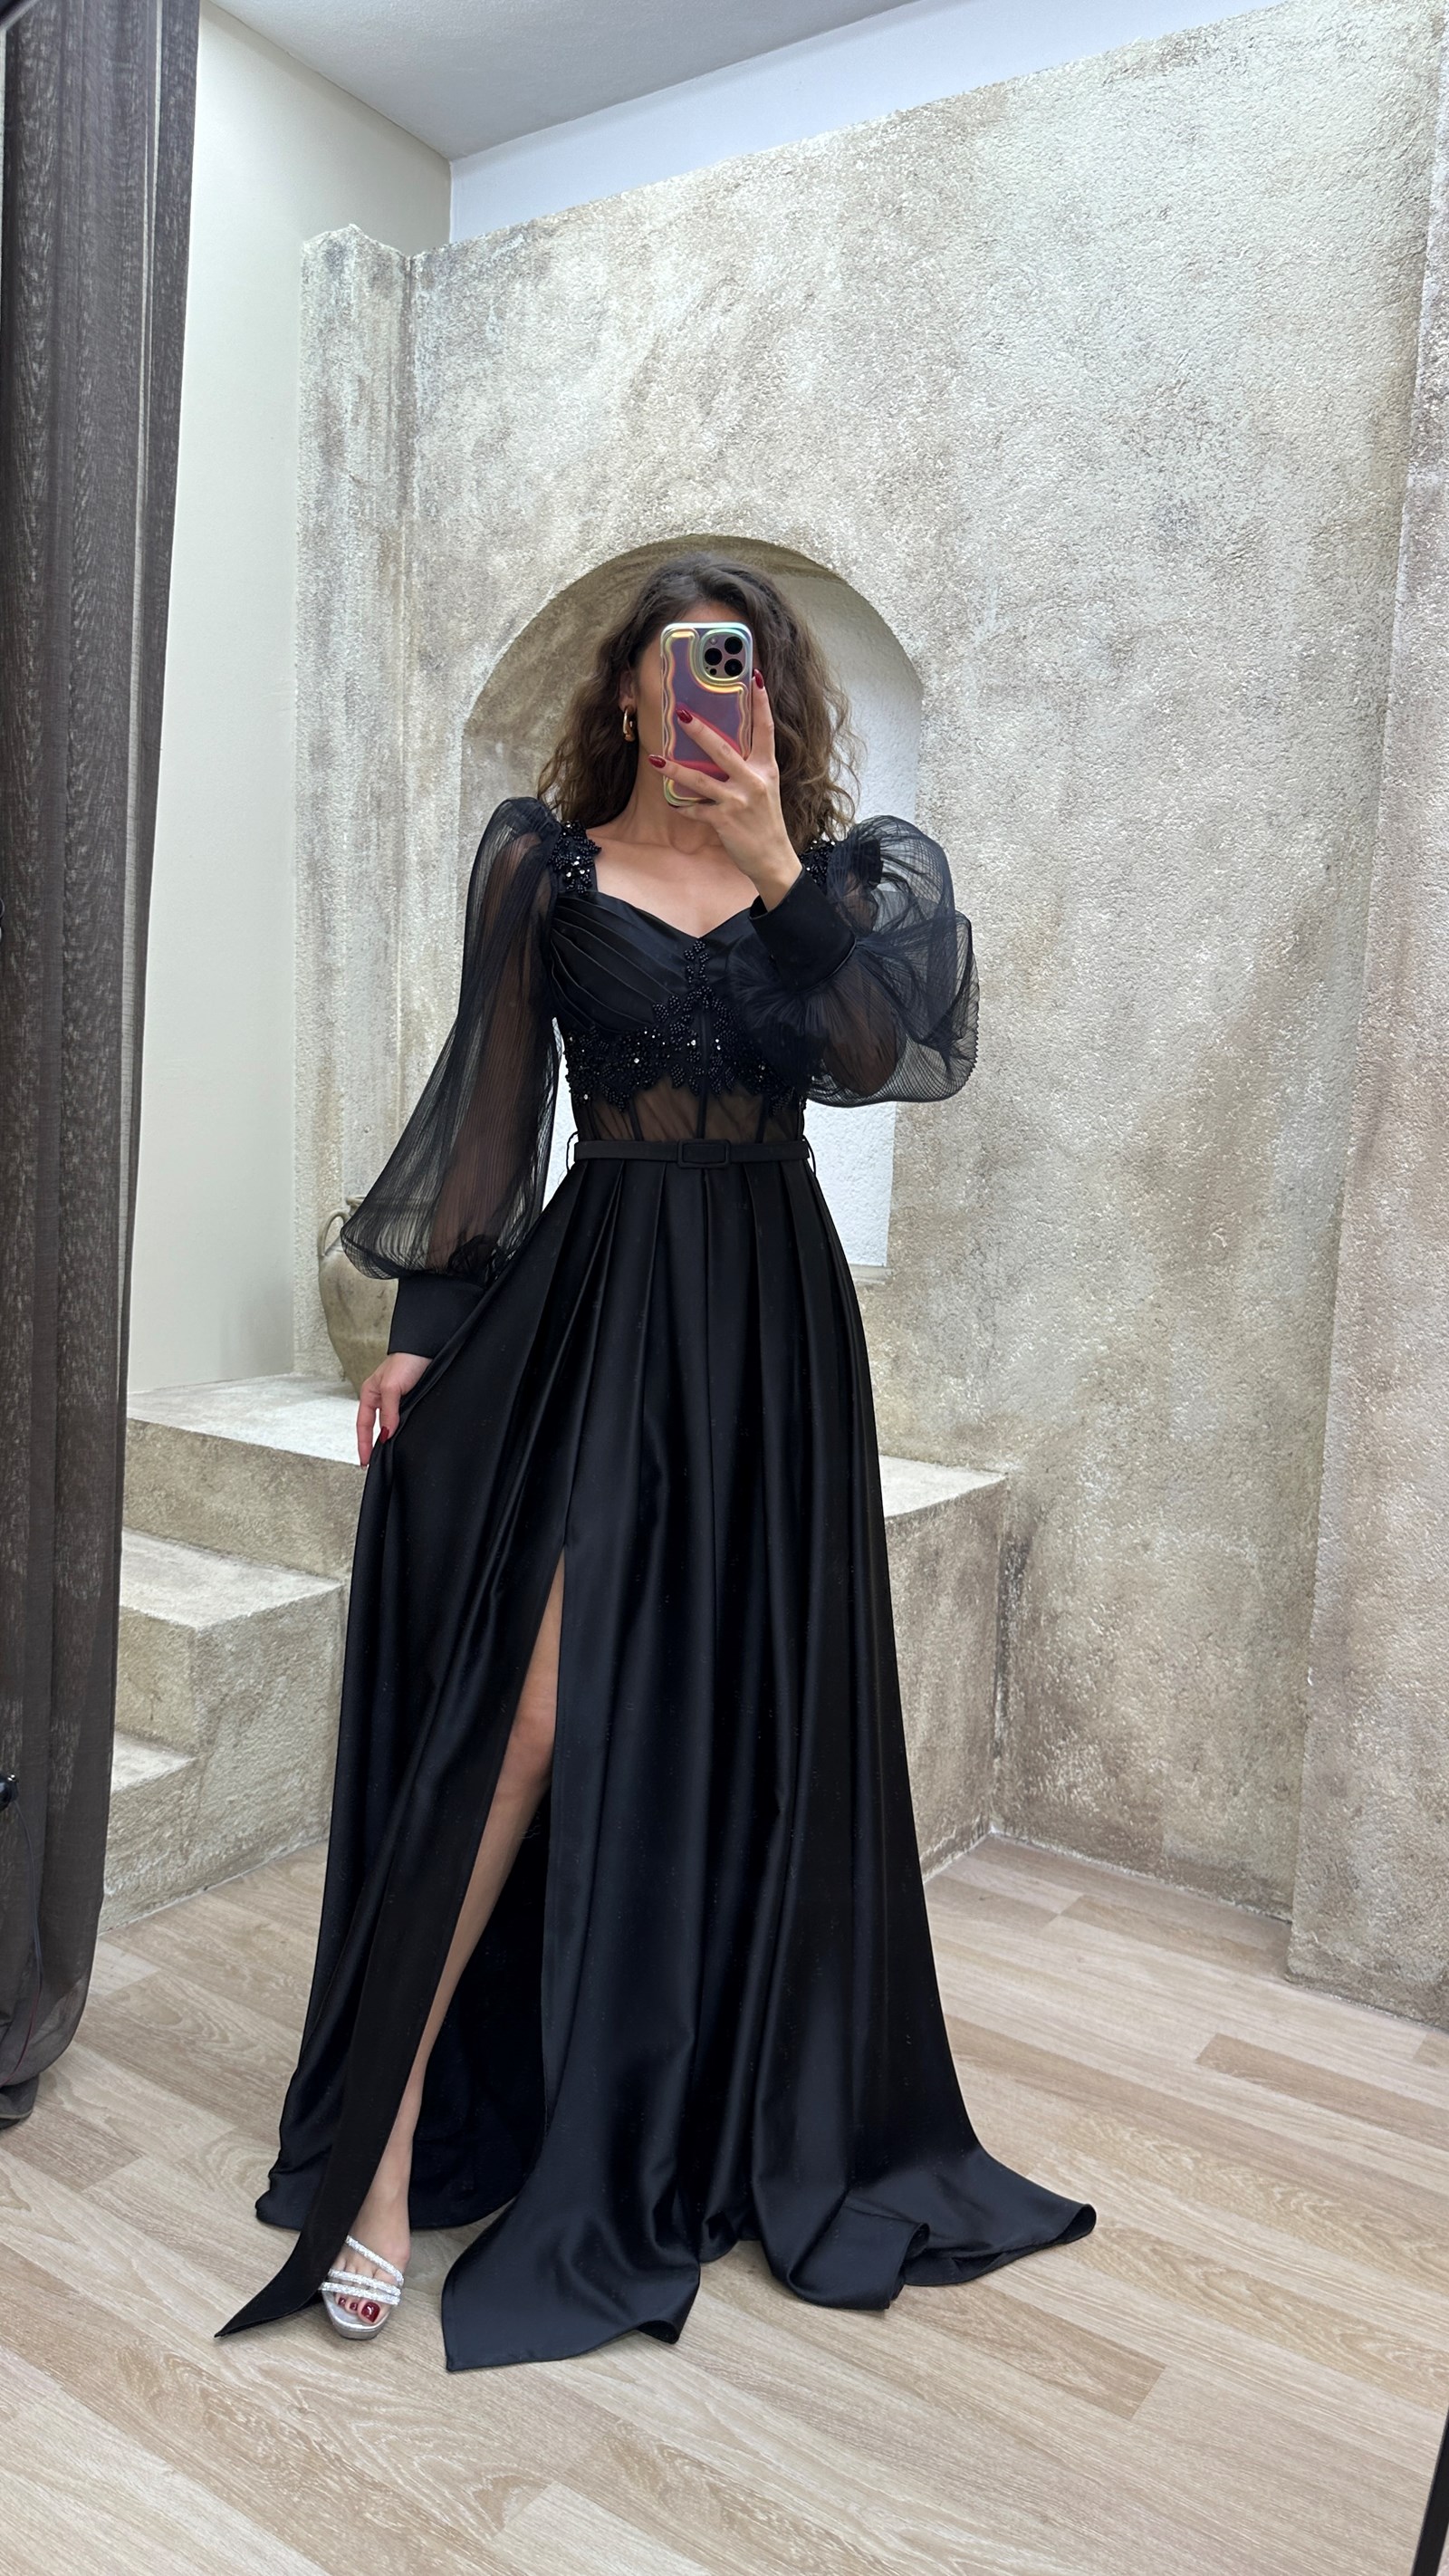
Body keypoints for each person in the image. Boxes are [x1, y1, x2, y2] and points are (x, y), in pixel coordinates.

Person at [219, 553, 1093, 2369]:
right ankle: (387, 2144)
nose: (712, 688)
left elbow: (885, 1058)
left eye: (742, 665)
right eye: (683, 662)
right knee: (531, 1717)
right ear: (625, 687)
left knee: (746, 1712)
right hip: (605, 1299)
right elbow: (493, 1096)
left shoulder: (840, 881)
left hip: (771, 1324)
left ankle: (691, 2097)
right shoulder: (538, 864)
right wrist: (424, 1329)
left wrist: (774, 860)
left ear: (770, 698)